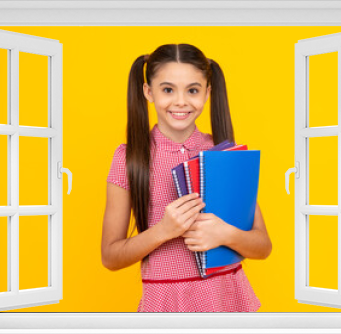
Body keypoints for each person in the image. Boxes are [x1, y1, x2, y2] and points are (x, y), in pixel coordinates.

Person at [101, 44, 272, 312]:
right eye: (168, 89)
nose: (181, 101)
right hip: (166, 303)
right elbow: (110, 256)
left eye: (192, 90)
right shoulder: (128, 158)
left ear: (207, 93)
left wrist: (225, 233)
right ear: (148, 92)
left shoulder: (225, 153)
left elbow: (262, 246)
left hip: (228, 299)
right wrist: (163, 232)